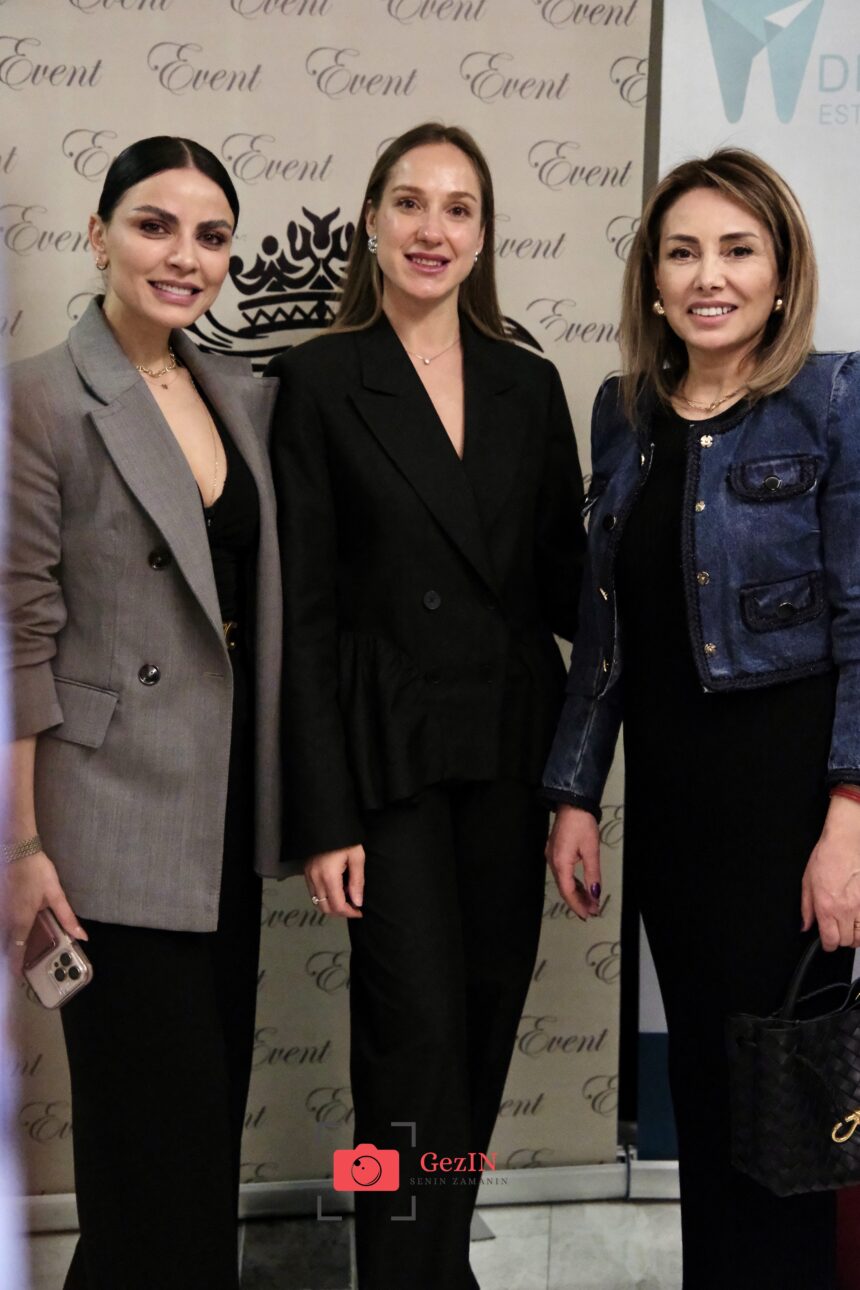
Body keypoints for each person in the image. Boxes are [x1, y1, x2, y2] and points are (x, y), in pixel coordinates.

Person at [267, 121, 586, 1290]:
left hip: (507, 747)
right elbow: (302, 618)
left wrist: (575, 789)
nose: (431, 229)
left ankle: (436, 1258)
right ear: (369, 221)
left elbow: (566, 588)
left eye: (458, 208)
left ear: (484, 235)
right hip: (385, 760)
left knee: (484, 1024)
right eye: (409, 203)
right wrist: (321, 814)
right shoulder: (315, 379)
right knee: (408, 1042)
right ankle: (399, 1267)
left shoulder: (527, 382)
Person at [543, 147, 860, 1290]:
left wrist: (848, 822)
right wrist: (573, 794)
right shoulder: (620, 413)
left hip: (789, 816)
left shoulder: (832, 398)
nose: (706, 276)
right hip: (675, 820)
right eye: (680, 253)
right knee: (705, 1096)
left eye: (735, 250)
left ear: (779, 273)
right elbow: (605, 636)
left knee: (785, 1112)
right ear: (651, 279)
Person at [2, 136, 283, 1290]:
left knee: (192, 1152)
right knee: (148, 1155)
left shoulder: (240, 392)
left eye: (211, 236)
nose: (185, 256)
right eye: (154, 226)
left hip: (223, 820)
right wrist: (21, 847)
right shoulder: (38, 397)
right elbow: (17, 638)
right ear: (98, 235)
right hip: (104, 830)